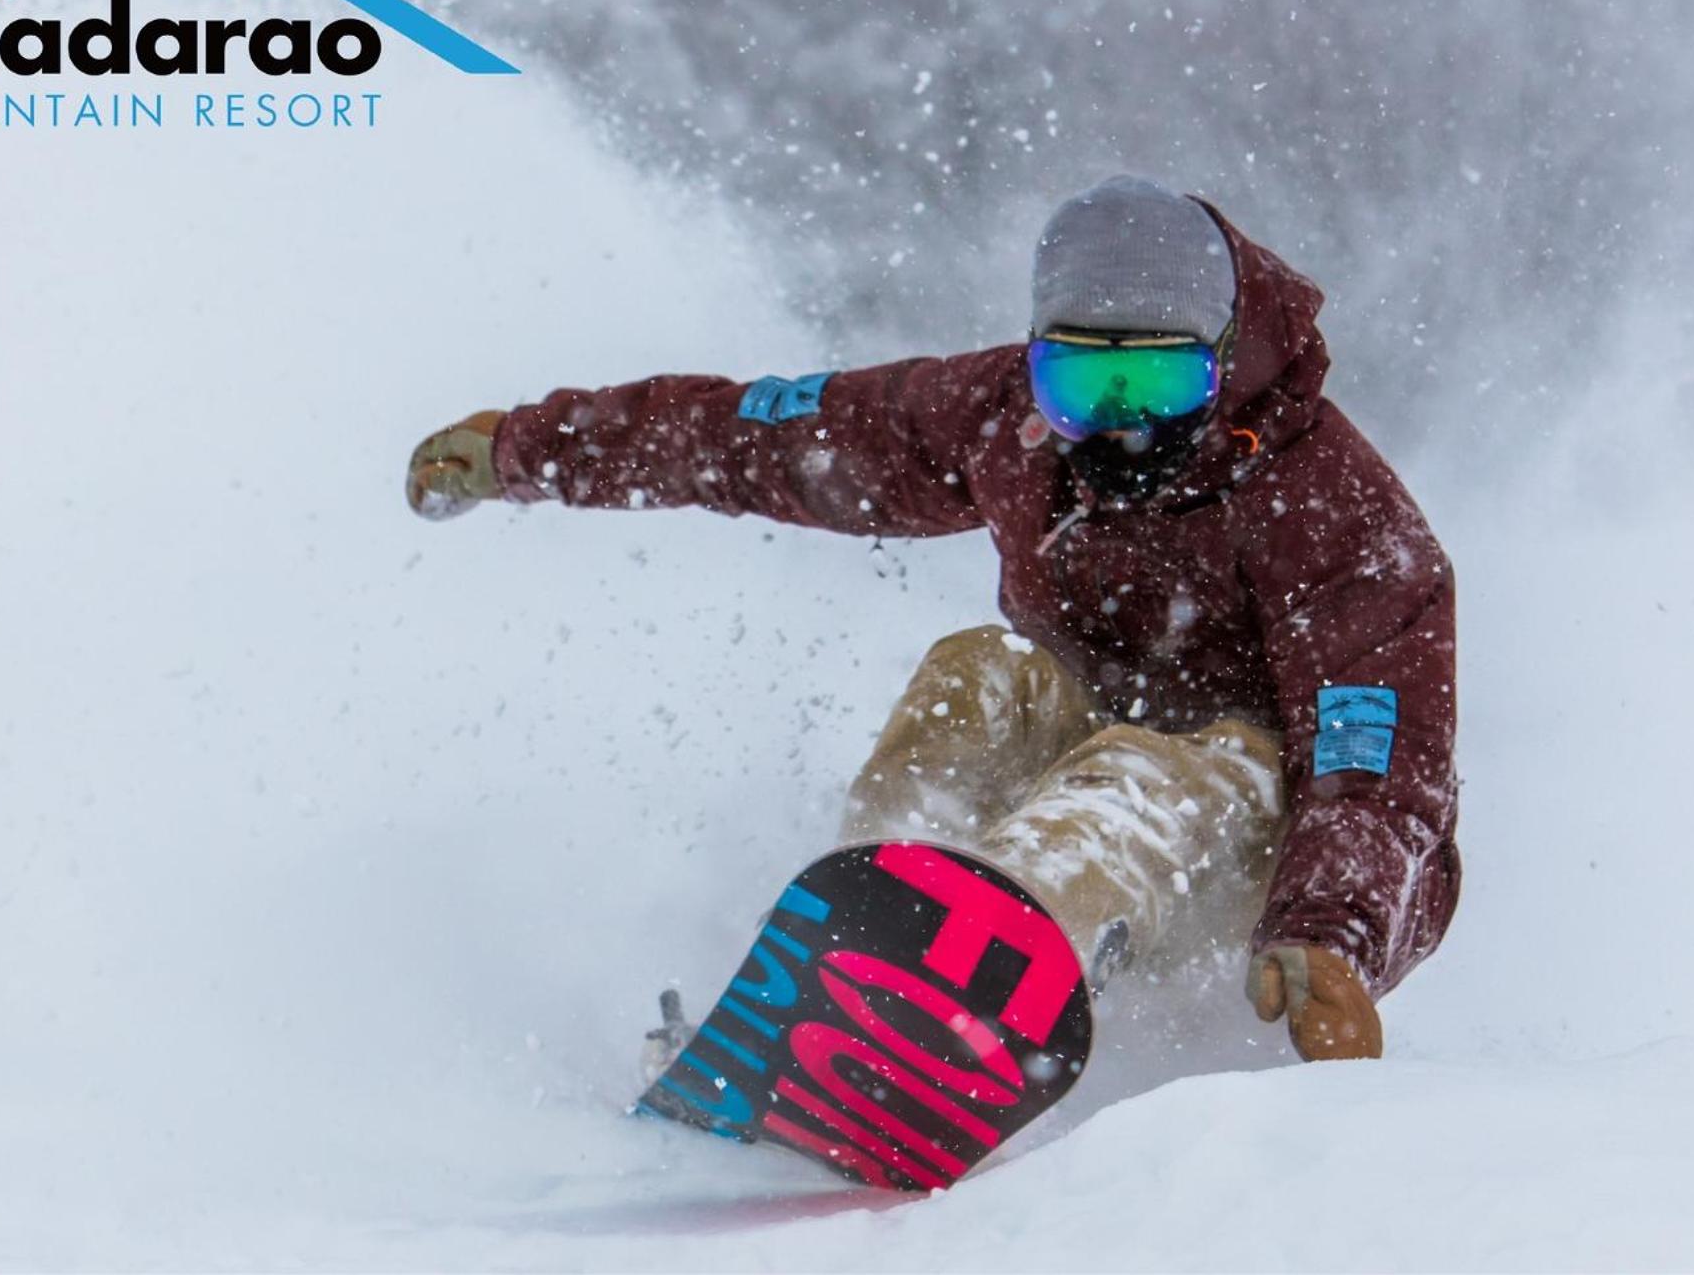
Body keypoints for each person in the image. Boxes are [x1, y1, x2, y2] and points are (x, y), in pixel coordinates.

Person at [405, 174, 1459, 1063]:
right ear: (1037, 364)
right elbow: (775, 434)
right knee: (980, 672)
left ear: (1224, 362)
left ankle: (979, 992)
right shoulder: (1007, 421)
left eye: (1156, 381)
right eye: (1083, 384)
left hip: (1260, 836)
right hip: (1087, 754)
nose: (1122, 424)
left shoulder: (1336, 512)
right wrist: (535, 448)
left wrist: (1333, 932)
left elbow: (1377, 768)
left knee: (1147, 769)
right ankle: (856, 952)